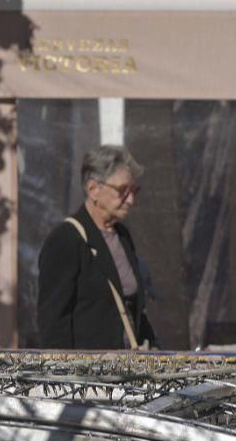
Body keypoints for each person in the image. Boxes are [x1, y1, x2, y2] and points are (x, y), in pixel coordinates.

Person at [36, 145, 157, 349]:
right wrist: (66, 376)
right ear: (93, 189)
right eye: (122, 191)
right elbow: (53, 323)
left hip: (127, 370)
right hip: (89, 375)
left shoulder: (122, 236)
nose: (131, 200)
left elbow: (132, 308)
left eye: (134, 191)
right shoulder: (66, 239)